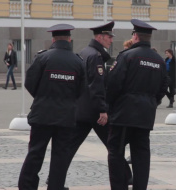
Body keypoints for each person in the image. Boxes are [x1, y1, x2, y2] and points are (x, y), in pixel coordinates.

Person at [18, 24, 85, 190]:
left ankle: (27, 186)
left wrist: (42, 97)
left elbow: (30, 83)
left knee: (35, 153)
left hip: (42, 115)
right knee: (60, 156)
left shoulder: (43, 58)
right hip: (66, 117)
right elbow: (82, 90)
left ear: (53, 39)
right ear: (69, 39)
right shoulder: (77, 61)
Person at [65, 21, 132, 185]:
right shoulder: (95, 56)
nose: (111, 40)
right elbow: (96, 85)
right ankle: (127, 176)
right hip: (95, 112)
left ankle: (54, 177)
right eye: (109, 37)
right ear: (100, 37)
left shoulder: (84, 52)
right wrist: (103, 110)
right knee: (114, 144)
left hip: (82, 109)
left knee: (69, 147)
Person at [106, 19, 168, 190]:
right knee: (141, 154)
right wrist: (151, 102)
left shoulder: (126, 56)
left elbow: (113, 85)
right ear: (149, 38)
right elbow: (164, 87)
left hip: (124, 115)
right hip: (145, 115)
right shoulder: (159, 60)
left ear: (135, 36)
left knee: (115, 152)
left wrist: (111, 106)